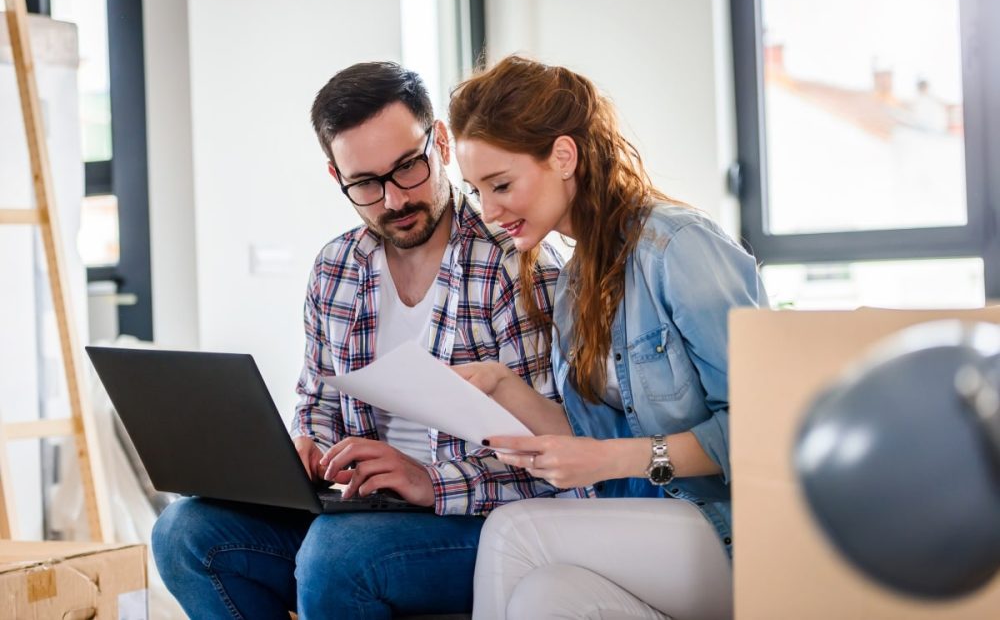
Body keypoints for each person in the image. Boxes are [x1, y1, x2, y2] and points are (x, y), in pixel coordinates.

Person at [151, 62, 585, 619]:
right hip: (360, 513)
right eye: (365, 184)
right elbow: (317, 402)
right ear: (337, 177)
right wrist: (306, 446)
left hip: (481, 516)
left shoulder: (516, 266)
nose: (394, 200)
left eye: (408, 168)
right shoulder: (336, 267)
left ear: (442, 144)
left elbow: (552, 458)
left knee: (338, 558)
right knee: (184, 531)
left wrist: (427, 480)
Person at [449, 55, 768, 619]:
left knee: (515, 533)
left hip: (739, 536)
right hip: (653, 526)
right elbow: (590, 443)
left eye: (501, 185)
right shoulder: (577, 281)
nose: (490, 211)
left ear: (563, 156)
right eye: (476, 191)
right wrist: (502, 386)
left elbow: (760, 430)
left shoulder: (678, 247)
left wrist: (608, 459)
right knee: (544, 600)